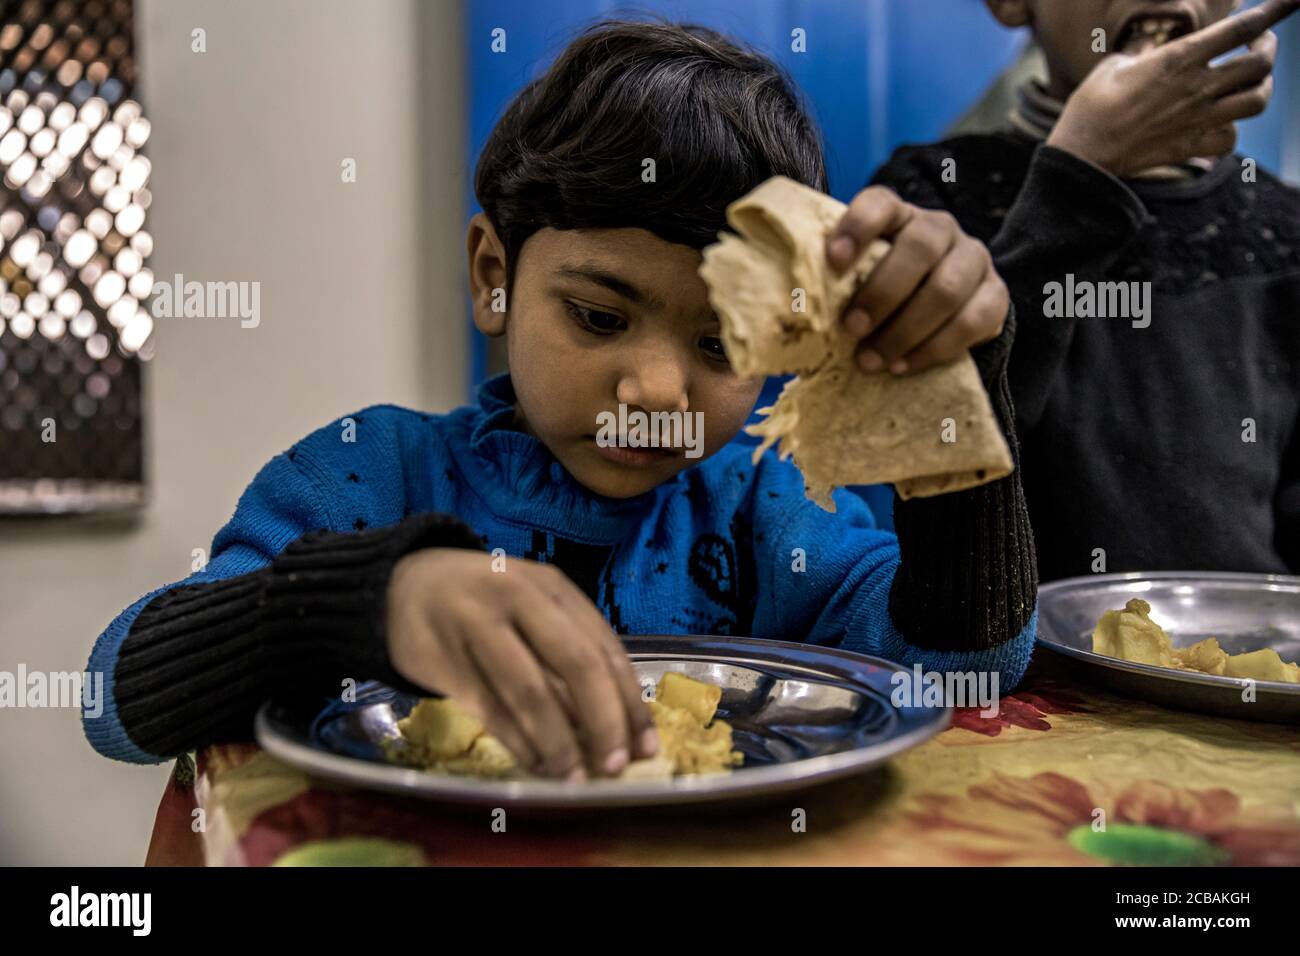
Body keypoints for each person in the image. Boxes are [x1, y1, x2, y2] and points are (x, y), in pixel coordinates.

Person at [83, 19, 1037, 780]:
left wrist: (951, 415)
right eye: (597, 317)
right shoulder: (371, 474)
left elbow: (958, 675)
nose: (656, 388)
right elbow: (113, 700)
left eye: (721, 343)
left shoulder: (773, 511)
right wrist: (368, 601)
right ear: (493, 274)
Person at [863, 0, 1300, 581]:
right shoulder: (934, 201)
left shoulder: (1286, 233)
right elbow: (938, 460)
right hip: (1020, 664)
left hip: (1239, 664)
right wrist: (1080, 176)